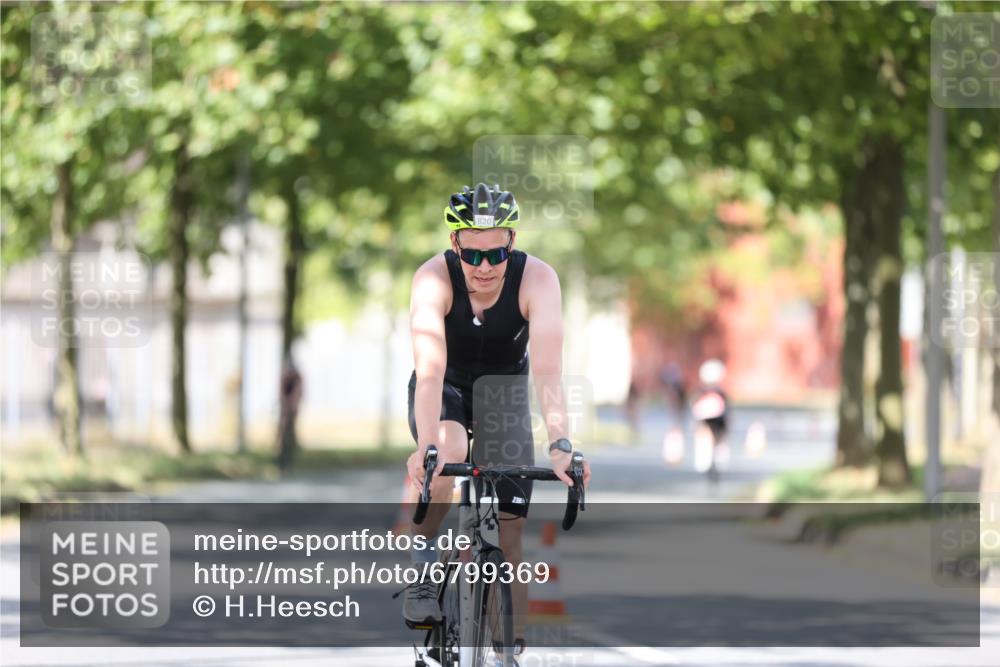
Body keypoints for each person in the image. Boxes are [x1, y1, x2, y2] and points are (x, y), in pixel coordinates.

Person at [404, 183, 592, 657]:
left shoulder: (538, 279)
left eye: (496, 254)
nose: (485, 268)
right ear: (455, 246)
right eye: (472, 256)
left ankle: (505, 647)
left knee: (510, 528)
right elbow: (428, 372)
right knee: (448, 453)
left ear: (512, 240)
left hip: (504, 391)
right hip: (444, 385)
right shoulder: (432, 279)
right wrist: (425, 447)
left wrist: (561, 443)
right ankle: (425, 569)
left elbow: (548, 370)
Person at [691, 358, 729, 483]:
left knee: (711, 441)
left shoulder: (703, 391)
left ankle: (711, 462)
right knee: (715, 441)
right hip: (714, 420)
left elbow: (696, 407)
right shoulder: (718, 392)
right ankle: (712, 462)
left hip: (711, 420)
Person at [276, 352, 303, 473]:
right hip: (286, 409)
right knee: (282, 435)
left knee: (289, 434)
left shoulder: (296, 377)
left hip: (291, 409)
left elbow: (297, 393)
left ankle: (288, 459)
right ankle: (282, 460)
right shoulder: (286, 377)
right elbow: (281, 392)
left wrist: (292, 406)